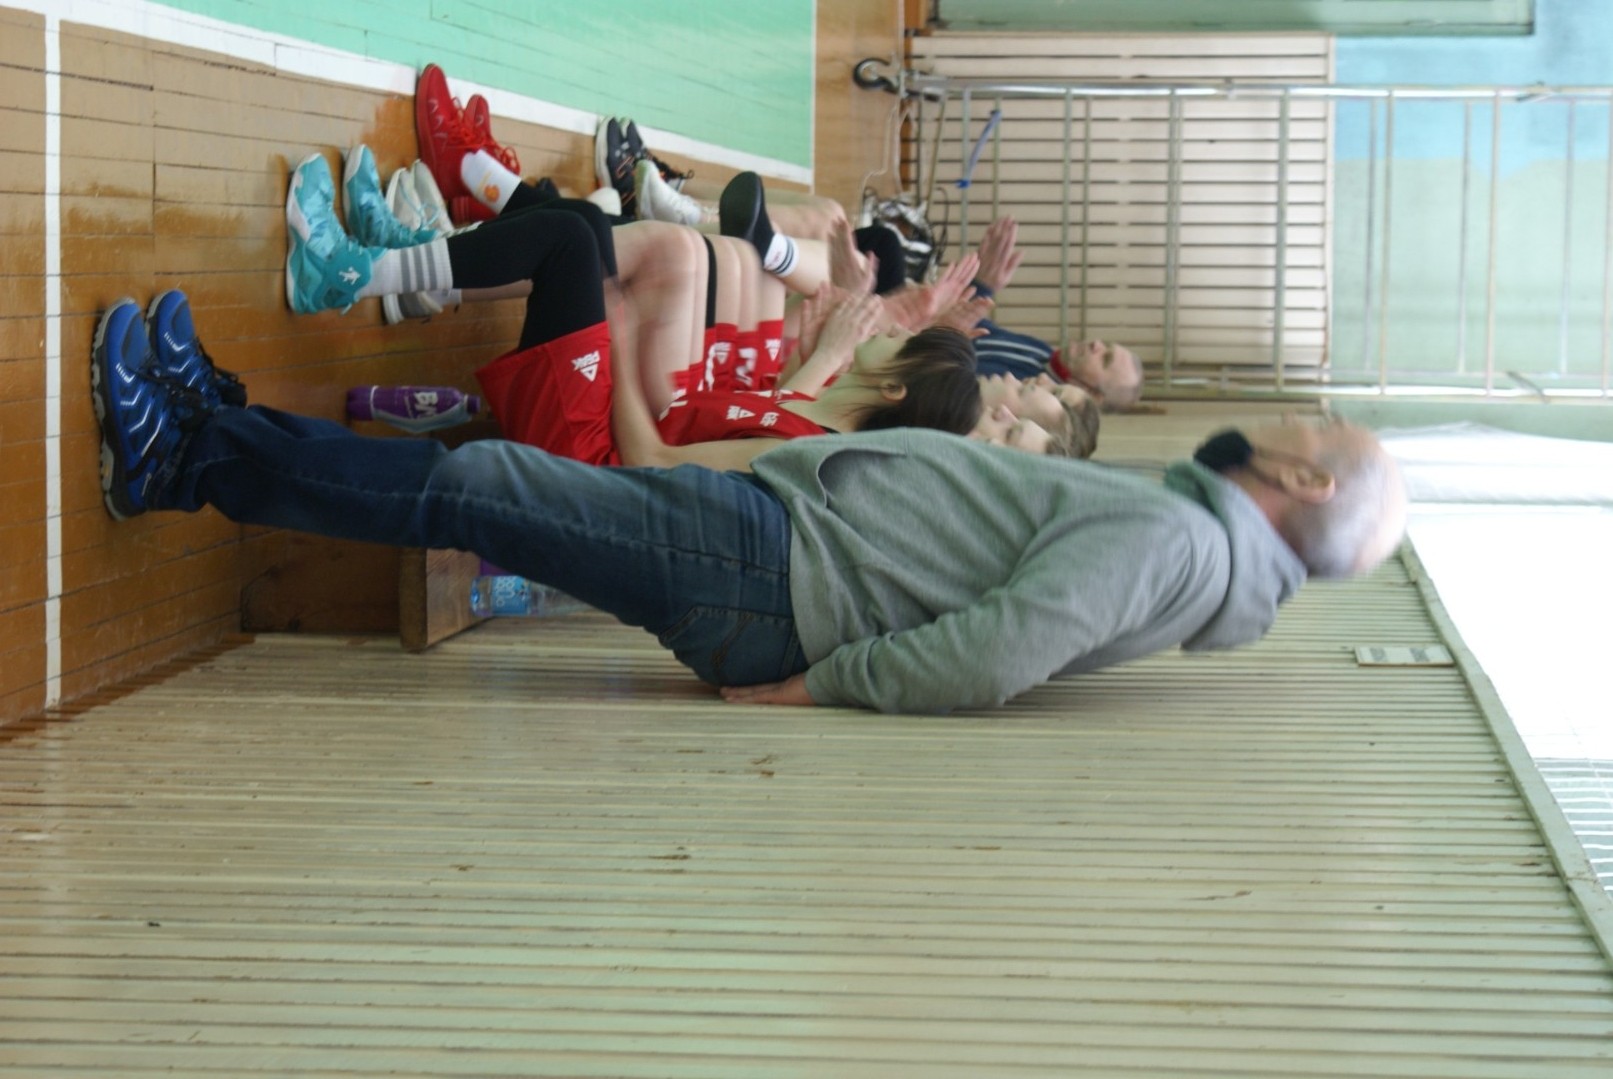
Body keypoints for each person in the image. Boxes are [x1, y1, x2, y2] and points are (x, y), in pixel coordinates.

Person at [91, 294, 1408, 715]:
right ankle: (215, 427)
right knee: (492, 489)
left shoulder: (1177, 540)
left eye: (1314, 433)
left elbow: (1003, 648)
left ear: (1305, 481)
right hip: (781, 554)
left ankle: (183, 459)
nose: (1294, 423)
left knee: (487, 485)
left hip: (780, 578)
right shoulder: (1187, 538)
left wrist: (828, 684)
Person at [288, 152, 981, 472]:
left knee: (571, 242)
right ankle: (385, 264)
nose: (894, 333)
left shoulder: (801, 451)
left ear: (895, 386)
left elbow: (649, 461)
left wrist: (618, 338)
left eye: (902, 343)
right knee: (586, 233)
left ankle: (351, 273)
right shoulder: (818, 414)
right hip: (610, 425)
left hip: (588, 458)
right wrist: (820, 347)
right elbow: (736, 406)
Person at [966, 217, 1145, 412]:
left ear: (1092, 394)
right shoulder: (1045, 354)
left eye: (1105, 359)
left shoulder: (1024, 396)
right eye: (1106, 345)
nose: (1097, 344)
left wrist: (980, 289)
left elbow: (952, 369)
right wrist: (981, 286)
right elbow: (977, 331)